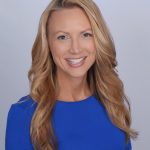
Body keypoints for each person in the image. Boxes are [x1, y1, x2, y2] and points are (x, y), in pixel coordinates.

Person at [5, 0, 138, 149]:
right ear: (47, 44)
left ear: (99, 39)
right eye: (63, 37)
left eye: (86, 34)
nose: (75, 49)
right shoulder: (24, 115)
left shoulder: (113, 102)